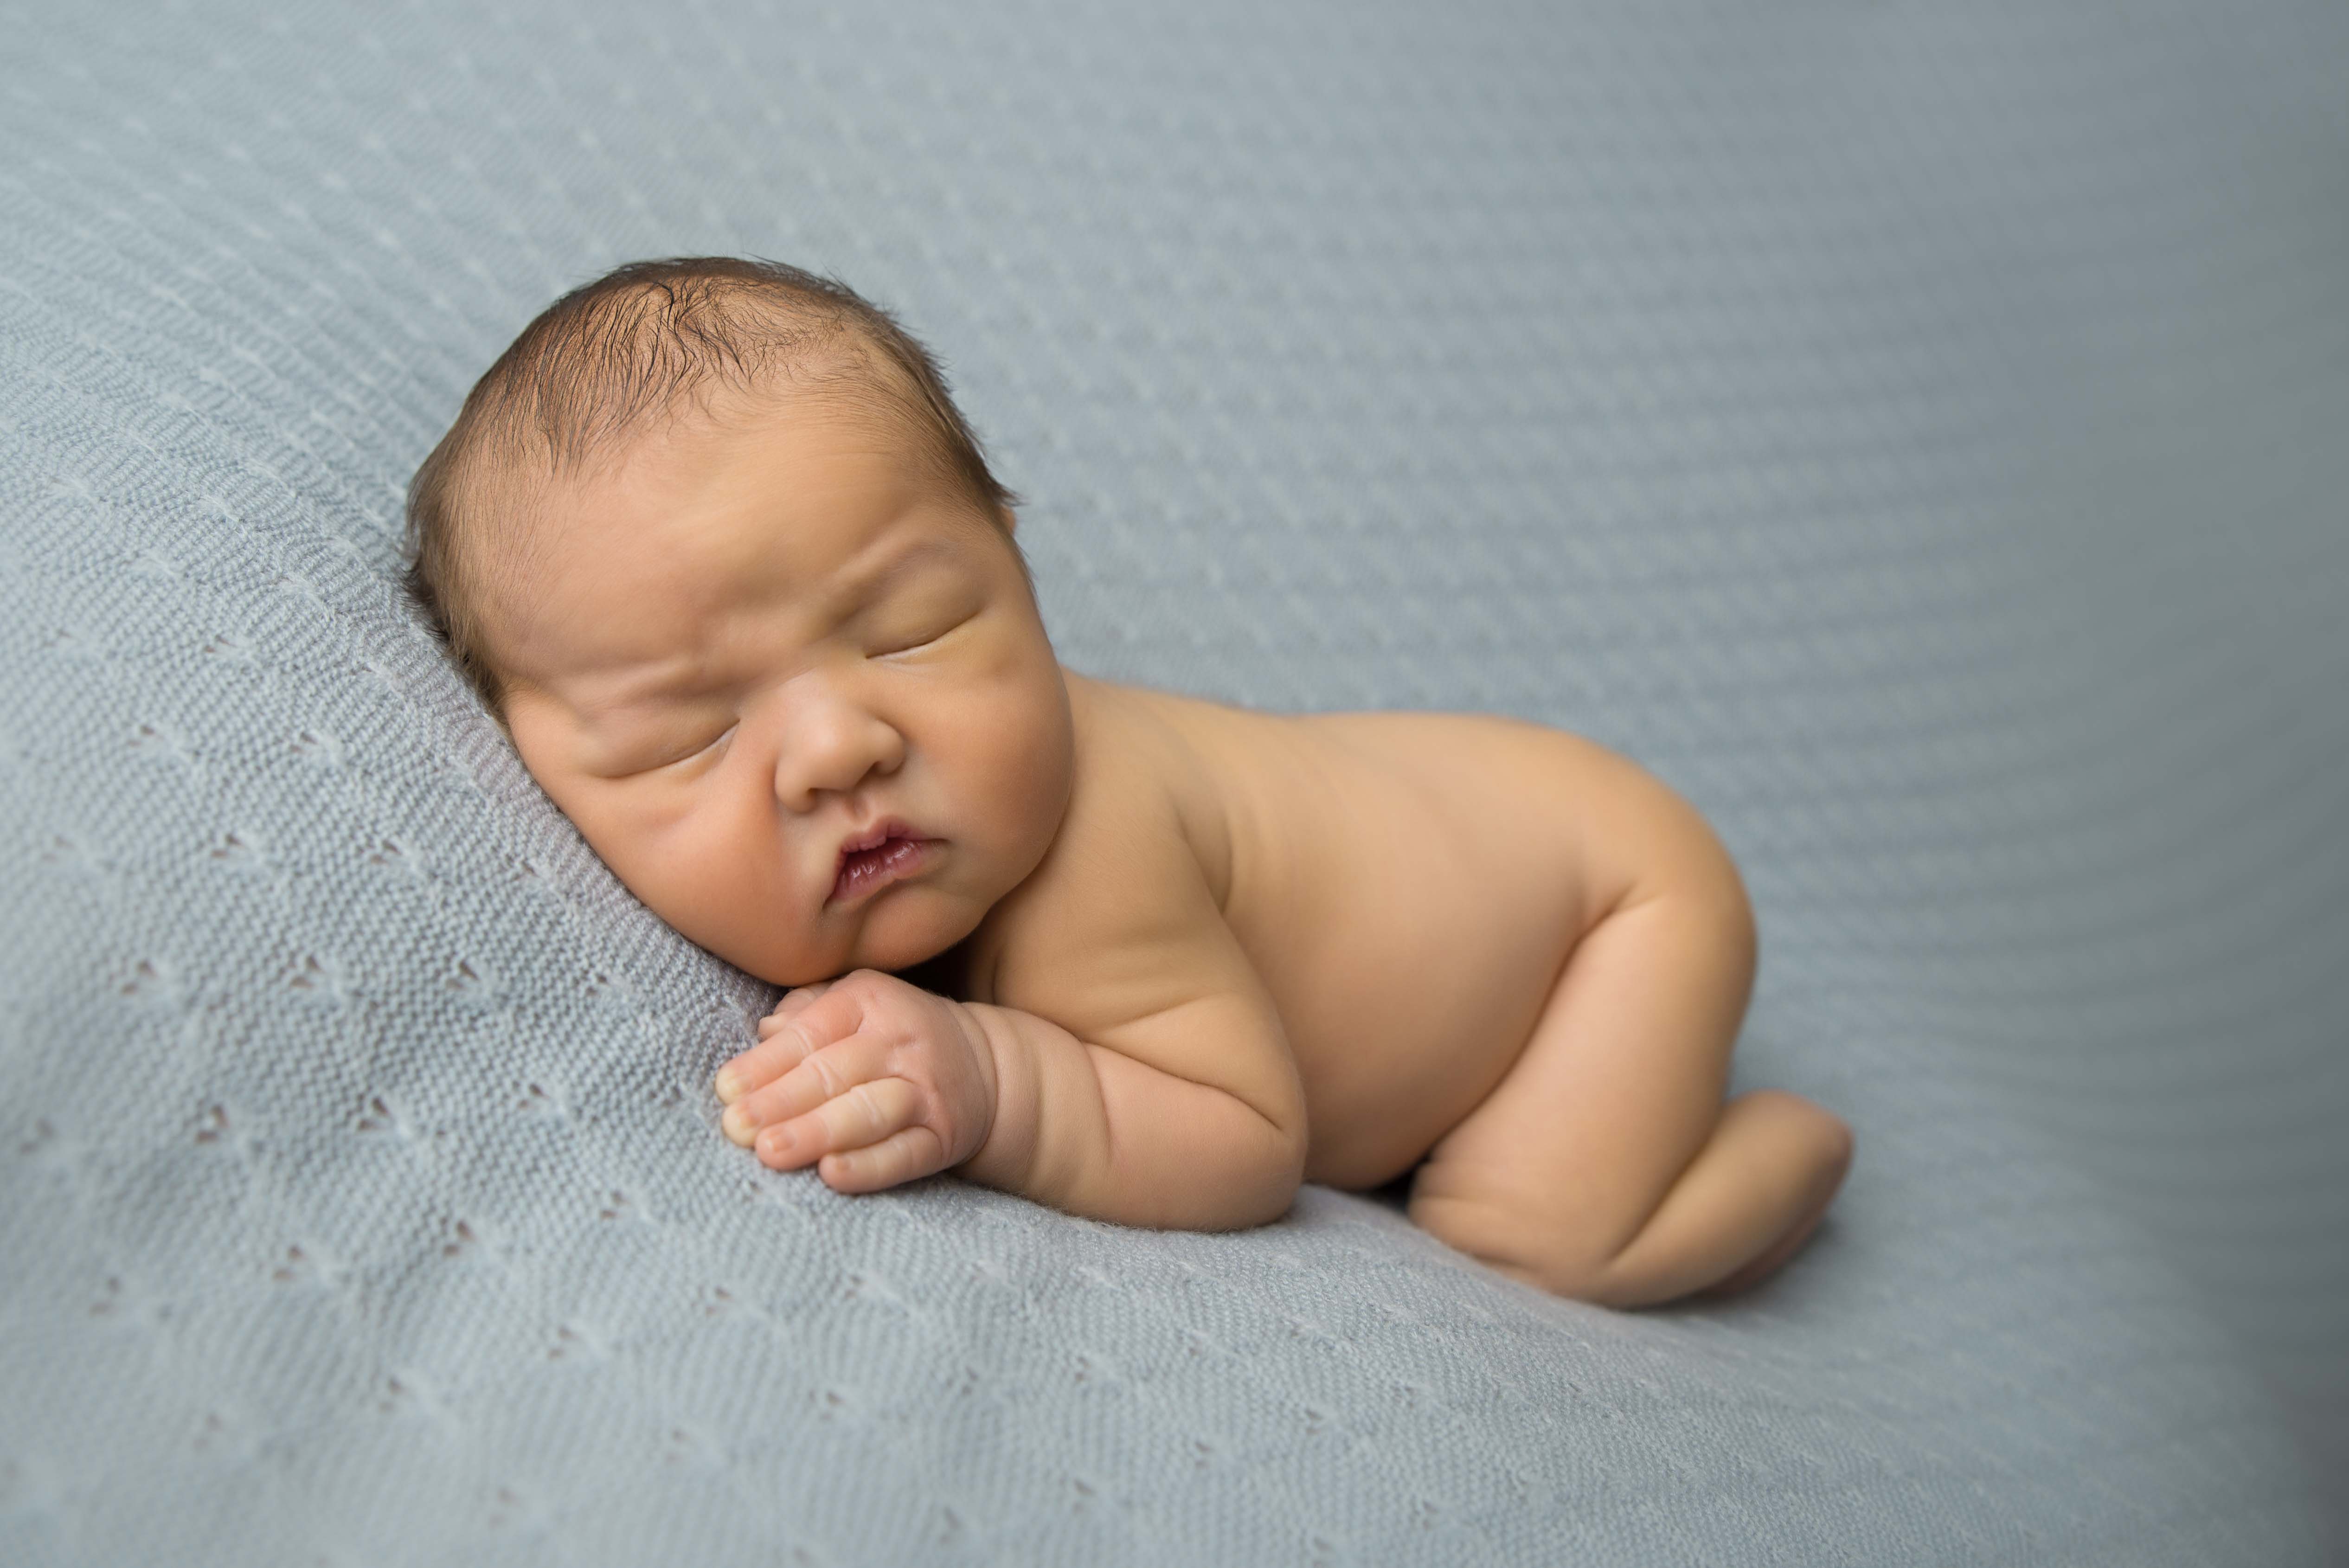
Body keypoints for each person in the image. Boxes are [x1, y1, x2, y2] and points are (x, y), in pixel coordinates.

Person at [404, 257, 1853, 1307]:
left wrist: (991, 1081)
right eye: (692, 734)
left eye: (912, 630)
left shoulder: (1094, 853)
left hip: (1611, 900)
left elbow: (1247, 1138)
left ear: (1019, 563)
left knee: (1522, 1224)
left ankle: (1783, 1158)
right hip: (1480, 816)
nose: (840, 746)